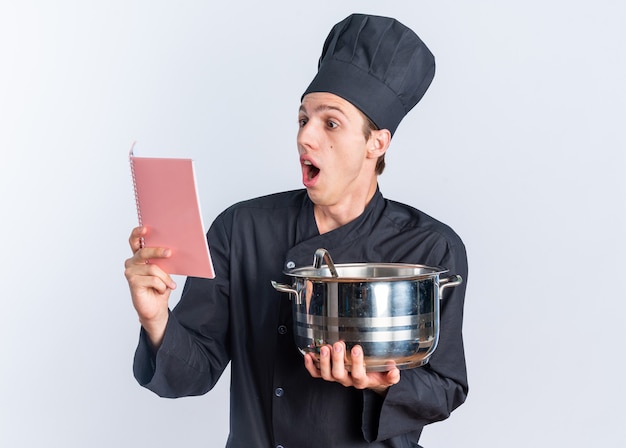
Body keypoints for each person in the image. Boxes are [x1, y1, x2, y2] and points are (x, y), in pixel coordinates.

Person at [125, 13, 468, 448]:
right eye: (303, 118)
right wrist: (156, 319)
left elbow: (446, 388)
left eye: (330, 123)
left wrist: (381, 383)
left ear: (376, 143)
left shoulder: (430, 247)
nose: (305, 137)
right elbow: (190, 374)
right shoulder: (241, 229)